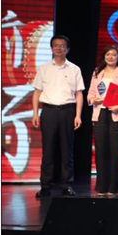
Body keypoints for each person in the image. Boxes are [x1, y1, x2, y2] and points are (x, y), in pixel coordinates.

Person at [31, 35, 85, 197]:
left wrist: (78, 115)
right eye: (56, 45)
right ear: (51, 48)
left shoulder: (74, 69)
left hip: (68, 111)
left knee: (67, 150)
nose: (59, 48)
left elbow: (79, 94)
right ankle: (45, 186)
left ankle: (67, 185)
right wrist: (35, 113)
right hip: (49, 111)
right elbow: (37, 92)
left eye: (62, 46)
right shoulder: (44, 68)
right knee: (48, 150)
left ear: (67, 49)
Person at [87, 45, 118, 197]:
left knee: (116, 152)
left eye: (114, 54)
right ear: (104, 57)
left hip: (117, 114)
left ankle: (114, 187)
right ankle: (102, 187)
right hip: (100, 114)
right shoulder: (97, 72)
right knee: (101, 152)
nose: (111, 57)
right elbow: (90, 94)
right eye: (108, 54)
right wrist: (93, 100)